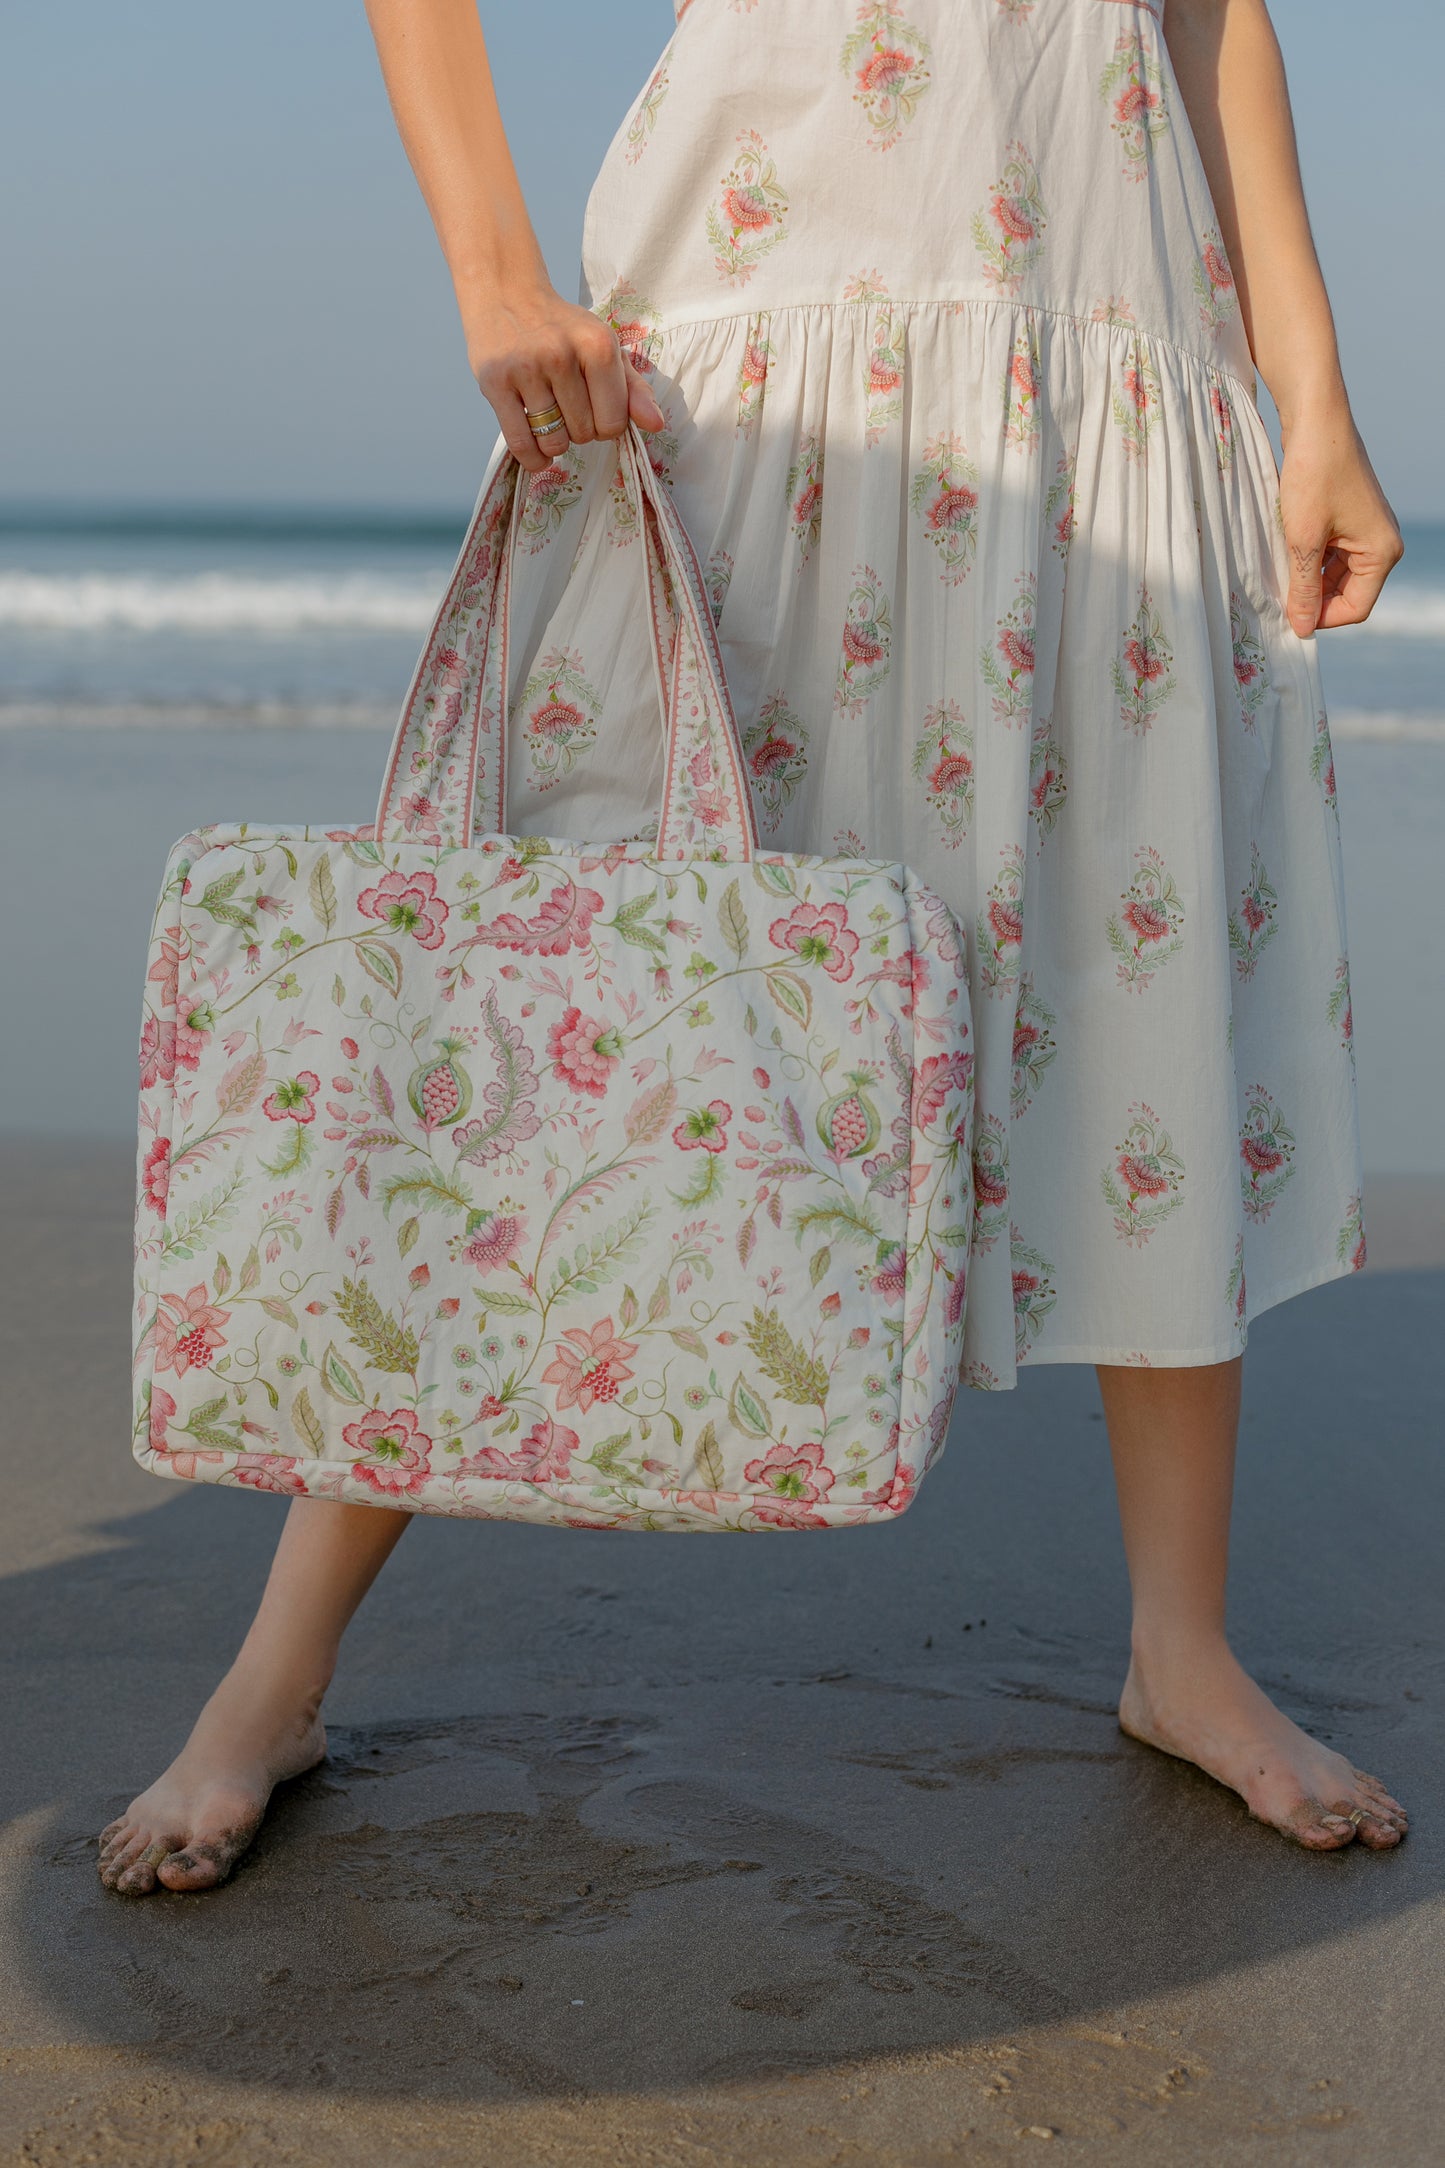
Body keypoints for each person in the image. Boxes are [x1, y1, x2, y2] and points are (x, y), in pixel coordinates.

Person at [99, 0, 1407, 1896]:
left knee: (1137, 994)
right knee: (556, 1007)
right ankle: (277, 1671)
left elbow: (1210, 16)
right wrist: (493, 275)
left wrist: (1315, 395)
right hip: (756, 365)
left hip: (1111, 376)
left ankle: (1181, 1652)